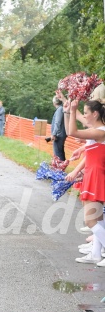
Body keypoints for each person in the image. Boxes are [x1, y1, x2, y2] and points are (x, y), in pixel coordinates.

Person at [66, 99, 105, 265]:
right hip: (93, 173)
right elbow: (79, 121)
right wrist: (68, 110)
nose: (85, 115)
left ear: (95, 114)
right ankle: (96, 254)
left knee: (90, 220)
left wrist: (73, 111)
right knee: (98, 218)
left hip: (96, 175)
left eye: (87, 112)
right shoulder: (97, 129)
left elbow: (72, 131)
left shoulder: (99, 131)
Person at [51, 96, 67, 161]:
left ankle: (59, 168)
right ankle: (61, 167)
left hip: (58, 135)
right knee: (60, 152)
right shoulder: (61, 109)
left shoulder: (59, 109)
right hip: (60, 134)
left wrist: (54, 134)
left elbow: (57, 122)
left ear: (54, 103)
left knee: (58, 153)